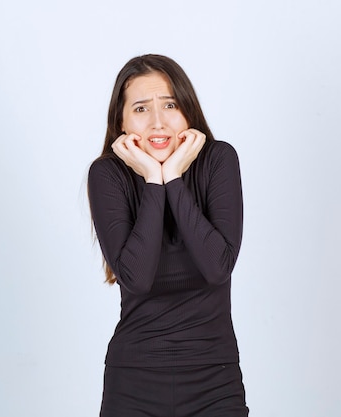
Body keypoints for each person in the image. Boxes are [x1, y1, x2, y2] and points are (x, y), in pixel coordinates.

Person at [87, 54, 248, 417]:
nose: (158, 122)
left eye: (170, 104)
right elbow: (137, 278)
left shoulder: (218, 161)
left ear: (188, 111)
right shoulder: (107, 176)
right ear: (122, 123)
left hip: (214, 380)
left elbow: (217, 267)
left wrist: (173, 177)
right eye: (141, 109)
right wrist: (152, 181)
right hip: (133, 382)